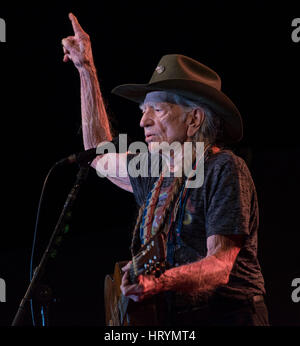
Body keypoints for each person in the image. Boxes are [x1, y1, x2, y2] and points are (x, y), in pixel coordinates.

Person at [61, 13, 269, 326]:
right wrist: (85, 70)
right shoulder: (153, 169)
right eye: (143, 111)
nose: (143, 121)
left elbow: (221, 264)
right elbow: (97, 155)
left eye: (157, 110)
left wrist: (159, 282)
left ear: (194, 119)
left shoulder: (224, 168)